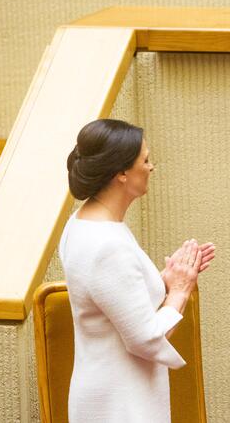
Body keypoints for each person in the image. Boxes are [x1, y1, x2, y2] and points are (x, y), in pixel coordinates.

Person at [58, 119, 215, 423]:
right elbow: (145, 338)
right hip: (120, 404)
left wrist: (165, 281)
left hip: (107, 392)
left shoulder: (84, 221)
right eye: (145, 160)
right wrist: (180, 291)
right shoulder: (107, 245)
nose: (151, 167)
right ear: (121, 173)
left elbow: (113, 300)